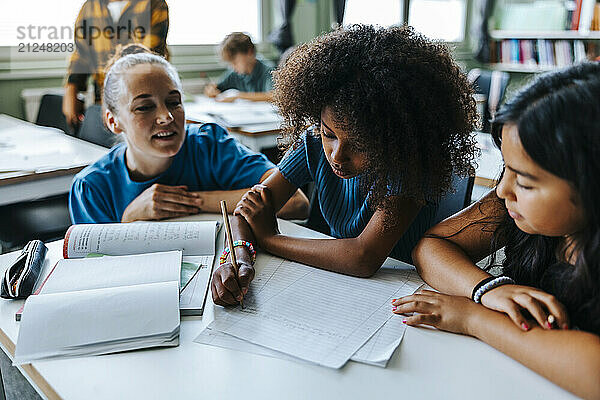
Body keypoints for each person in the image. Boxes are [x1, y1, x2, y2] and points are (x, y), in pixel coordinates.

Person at [210, 25, 478, 305]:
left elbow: (364, 257)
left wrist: (270, 239)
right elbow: (249, 210)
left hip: (402, 291)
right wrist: (239, 259)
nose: (337, 155)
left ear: (396, 140)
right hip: (338, 283)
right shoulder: (313, 143)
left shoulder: (407, 165)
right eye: (329, 134)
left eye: (360, 145)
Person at [394, 63, 600, 399]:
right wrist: (486, 289)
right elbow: (432, 246)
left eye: (526, 181)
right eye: (506, 168)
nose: (503, 189)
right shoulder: (514, 204)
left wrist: (474, 319)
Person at [69, 52, 308, 224]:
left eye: (174, 102)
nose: (166, 116)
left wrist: (190, 201)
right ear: (114, 121)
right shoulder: (91, 188)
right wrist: (130, 217)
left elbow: (295, 202)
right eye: (144, 107)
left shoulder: (209, 145)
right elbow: (97, 268)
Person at [62, 0, 169, 131]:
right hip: (100, 100)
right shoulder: (90, 6)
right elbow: (81, 52)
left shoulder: (154, 4)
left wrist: (112, 93)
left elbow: (144, 57)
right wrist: (71, 88)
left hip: (141, 100)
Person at [203, 32, 274, 103]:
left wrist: (237, 95)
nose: (233, 67)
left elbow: (273, 96)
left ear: (250, 52)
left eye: (235, 62)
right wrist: (211, 90)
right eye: (230, 63)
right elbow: (216, 89)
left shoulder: (269, 71)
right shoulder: (234, 73)